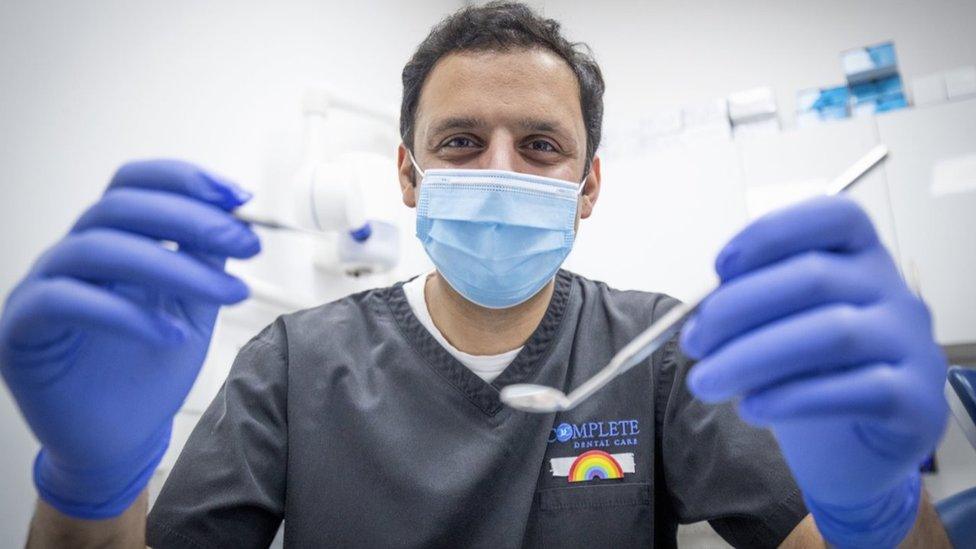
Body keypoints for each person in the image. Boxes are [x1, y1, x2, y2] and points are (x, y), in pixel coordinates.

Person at [0, 3, 952, 548]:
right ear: (409, 177)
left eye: (541, 146)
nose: (500, 171)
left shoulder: (662, 351)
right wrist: (88, 488)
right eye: (461, 142)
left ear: (587, 189)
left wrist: (877, 510)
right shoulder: (292, 363)